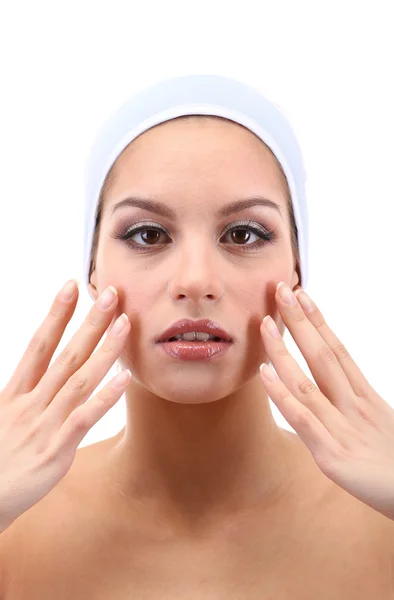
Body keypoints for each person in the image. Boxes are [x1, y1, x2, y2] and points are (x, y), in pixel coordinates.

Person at [1, 74, 393, 598]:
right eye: (147, 235)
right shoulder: (14, 526)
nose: (195, 282)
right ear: (93, 271)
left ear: (297, 271)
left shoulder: (382, 519)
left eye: (244, 234)